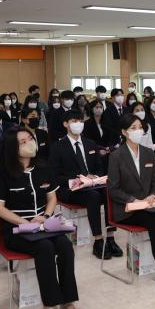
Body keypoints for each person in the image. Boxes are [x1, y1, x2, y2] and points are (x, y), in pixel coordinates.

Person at [0, 128, 80, 309]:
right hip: (16, 229)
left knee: (65, 245)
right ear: (12, 148)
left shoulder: (43, 168)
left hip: (44, 224)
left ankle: (68, 301)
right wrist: (25, 223)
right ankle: (50, 305)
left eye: (30, 138)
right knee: (44, 247)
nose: (30, 143)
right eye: (23, 142)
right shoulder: (2, 173)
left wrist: (45, 216)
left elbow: (52, 198)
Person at [108, 114, 155, 287]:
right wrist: (133, 200)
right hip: (128, 209)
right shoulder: (116, 156)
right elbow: (113, 189)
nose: (138, 131)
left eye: (140, 127)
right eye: (133, 128)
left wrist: (153, 194)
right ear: (124, 132)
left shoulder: (148, 153)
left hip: (149, 204)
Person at [49, 110, 122, 259]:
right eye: (74, 121)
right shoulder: (57, 146)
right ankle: (98, 240)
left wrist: (95, 177)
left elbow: (99, 167)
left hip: (92, 184)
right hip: (70, 189)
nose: (79, 124)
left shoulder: (90, 143)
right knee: (93, 196)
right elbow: (54, 175)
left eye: (81, 121)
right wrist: (75, 180)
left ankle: (110, 237)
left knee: (110, 192)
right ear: (65, 124)